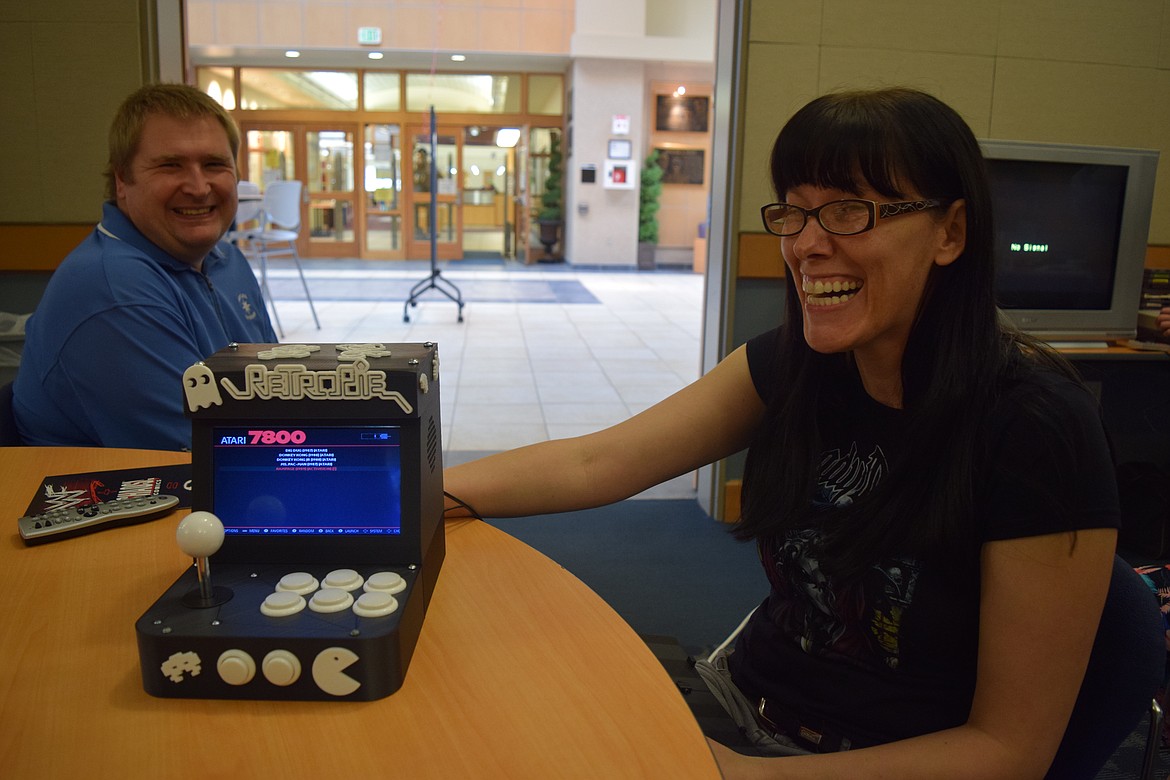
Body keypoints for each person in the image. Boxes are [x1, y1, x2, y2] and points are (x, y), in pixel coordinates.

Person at [443, 87, 1119, 778]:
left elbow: (1008, 751)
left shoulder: (1036, 428)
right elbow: (598, 461)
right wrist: (416, 494)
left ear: (950, 233)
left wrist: (749, 775)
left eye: (851, 210)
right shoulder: (798, 364)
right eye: (793, 211)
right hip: (740, 705)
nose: (805, 244)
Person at [14, 83, 277, 450]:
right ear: (122, 180)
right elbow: (212, 454)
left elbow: (279, 394)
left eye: (214, 164)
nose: (199, 187)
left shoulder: (225, 261)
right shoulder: (114, 290)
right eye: (171, 165)